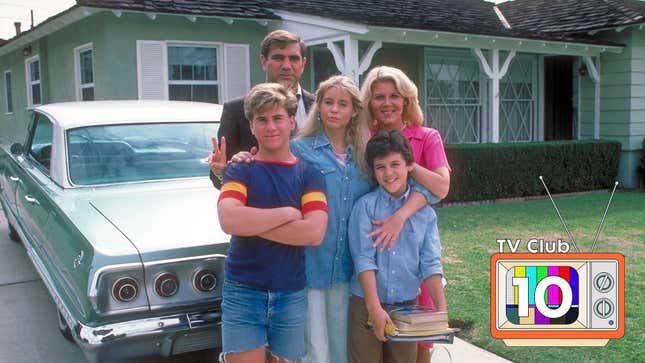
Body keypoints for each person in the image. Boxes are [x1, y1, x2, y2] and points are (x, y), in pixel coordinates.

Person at [211, 75, 433, 363]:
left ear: (355, 109)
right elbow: (266, 171)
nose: (334, 109)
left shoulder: (366, 156)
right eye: (328, 102)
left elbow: (406, 188)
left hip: (351, 268)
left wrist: (403, 214)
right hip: (308, 267)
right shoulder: (301, 150)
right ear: (318, 107)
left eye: (342, 104)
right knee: (314, 352)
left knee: (342, 351)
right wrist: (230, 167)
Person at [216, 83, 328, 363]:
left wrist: (251, 222)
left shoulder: (309, 175)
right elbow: (229, 219)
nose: (271, 127)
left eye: (278, 118)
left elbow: (314, 232)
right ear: (251, 126)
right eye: (262, 120)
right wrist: (287, 214)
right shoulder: (241, 170)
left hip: (290, 291)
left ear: (292, 122)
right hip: (243, 290)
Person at [360, 65, 451, 362]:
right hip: (373, 246)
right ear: (370, 103)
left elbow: (441, 186)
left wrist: (401, 214)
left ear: (407, 100)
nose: (387, 103)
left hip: (413, 251)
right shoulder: (364, 139)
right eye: (379, 97)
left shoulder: (426, 137)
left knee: (419, 340)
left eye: (394, 96)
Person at [347, 130, 448, 363]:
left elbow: (430, 263)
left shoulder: (425, 214)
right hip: (365, 303)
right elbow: (364, 260)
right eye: (380, 167)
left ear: (409, 165)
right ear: (373, 171)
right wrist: (374, 308)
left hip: (407, 307)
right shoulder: (365, 207)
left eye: (395, 164)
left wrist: (441, 308)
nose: (389, 173)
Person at [214, 29, 315, 163]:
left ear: (303, 64)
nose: (286, 66)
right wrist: (223, 170)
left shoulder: (318, 107)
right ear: (263, 61)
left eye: (294, 59)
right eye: (278, 58)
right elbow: (219, 173)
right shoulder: (236, 110)